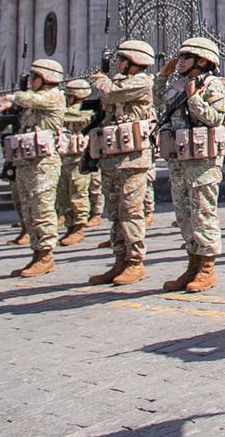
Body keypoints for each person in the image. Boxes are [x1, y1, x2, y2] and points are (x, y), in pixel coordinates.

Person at [154, 36, 225, 293]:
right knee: (184, 215)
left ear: (203, 61)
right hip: (179, 161)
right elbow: (160, 102)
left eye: (186, 57)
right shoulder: (179, 84)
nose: (180, 62)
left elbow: (215, 117)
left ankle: (207, 267)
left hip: (202, 163)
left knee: (203, 214)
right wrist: (162, 77)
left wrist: (194, 99)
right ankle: (193, 263)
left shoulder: (212, 85)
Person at [88, 39, 156, 286]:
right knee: (115, 212)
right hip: (112, 157)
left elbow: (112, 93)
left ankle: (135, 262)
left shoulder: (142, 82)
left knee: (130, 211)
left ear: (133, 63)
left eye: (121, 61)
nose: (118, 64)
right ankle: (120, 259)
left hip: (133, 160)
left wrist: (102, 79)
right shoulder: (121, 82)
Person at [0, 59, 66, 277]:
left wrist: (11, 97)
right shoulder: (32, 102)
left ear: (46, 78)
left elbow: (30, 99)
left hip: (44, 164)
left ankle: (46, 255)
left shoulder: (53, 95)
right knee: (28, 210)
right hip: (27, 162)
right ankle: (36, 253)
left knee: (42, 209)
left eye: (34, 77)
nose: (30, 81)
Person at [57, 75, 96, 245]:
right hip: (65, 157)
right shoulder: (65, 110)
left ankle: (78, 228)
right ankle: (69, 226)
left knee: (78, 193)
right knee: (63, 194)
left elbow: (74, 116)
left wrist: (55, 108)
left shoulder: (87, 110)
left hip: (79, 159)